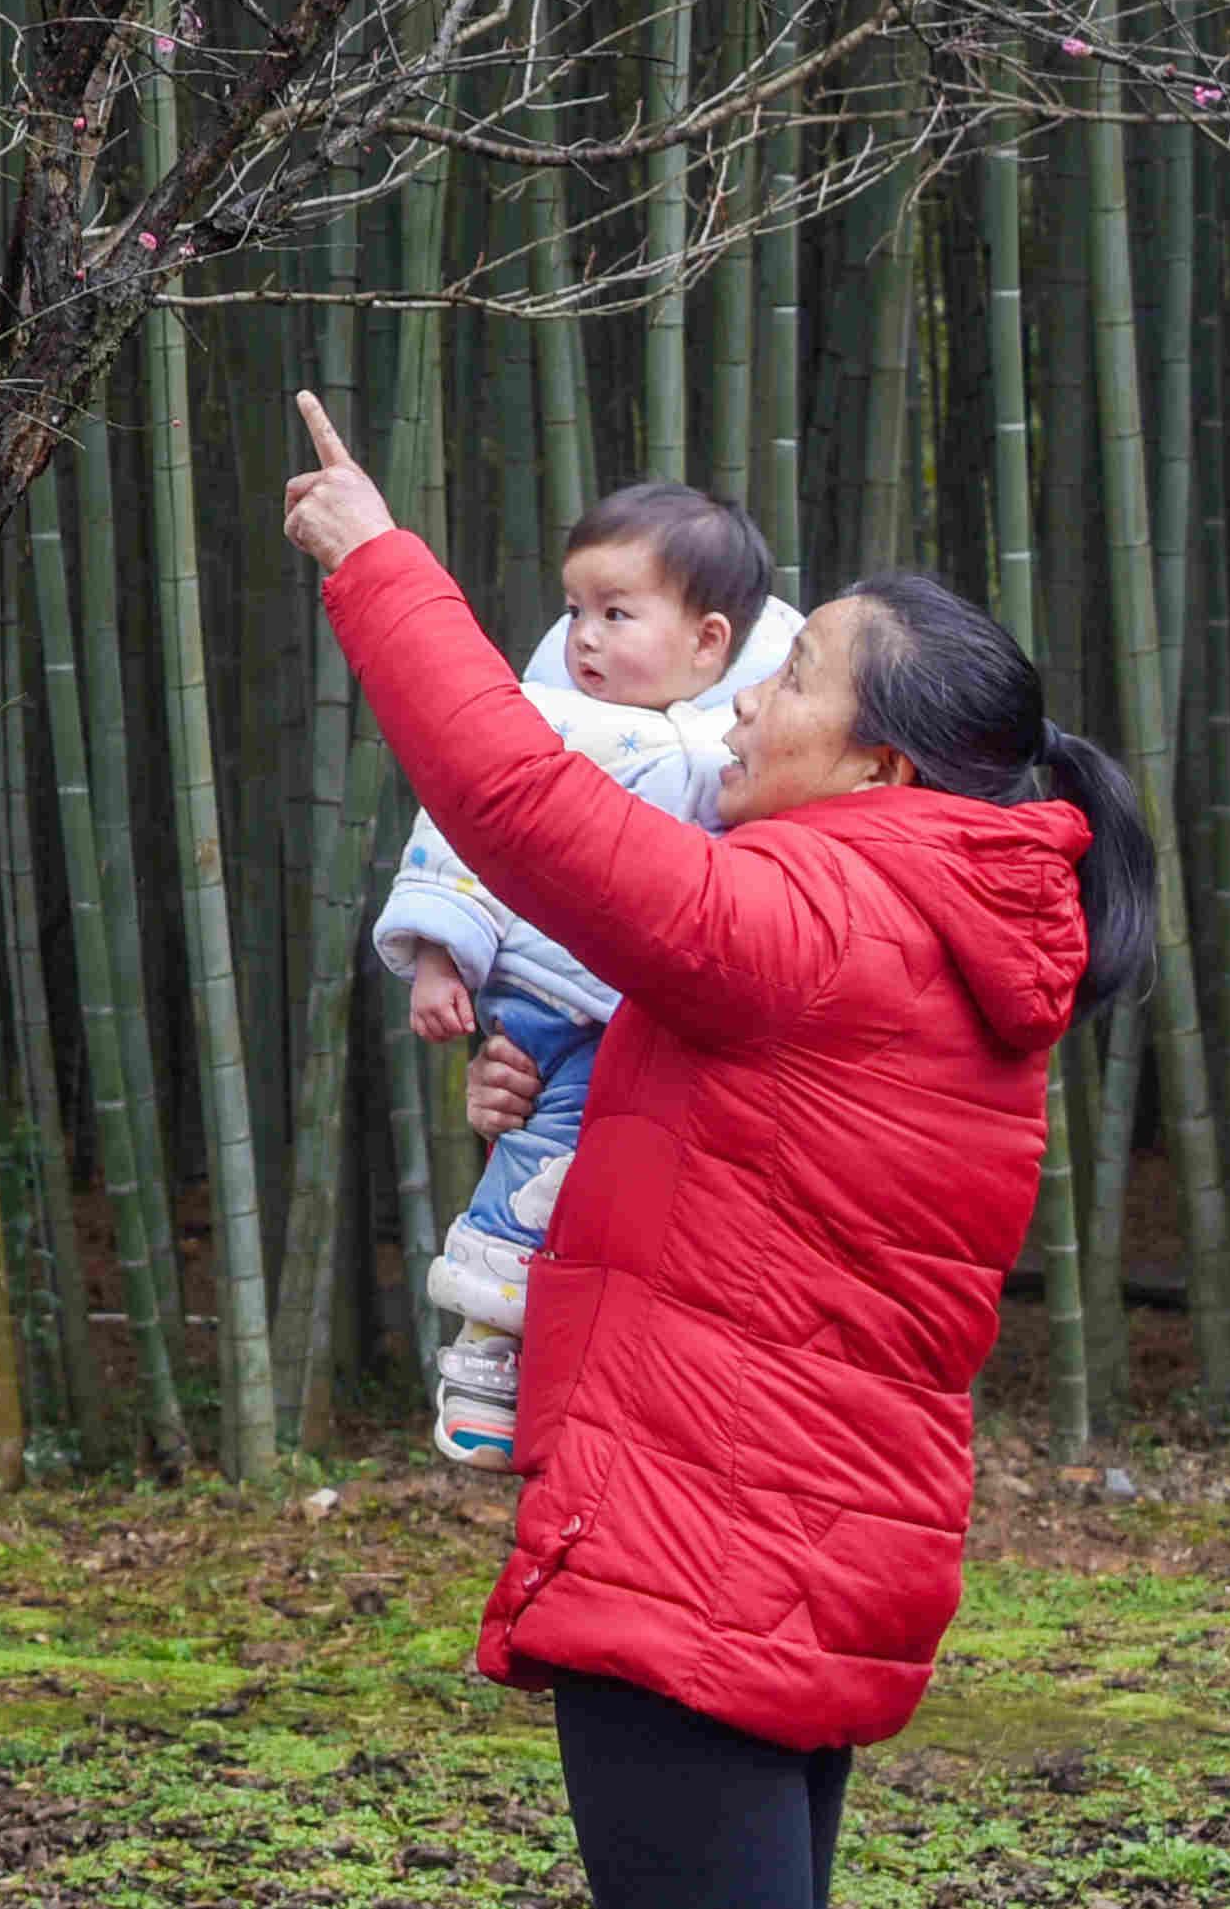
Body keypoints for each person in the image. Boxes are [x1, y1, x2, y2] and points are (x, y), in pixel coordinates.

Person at [280, 393, 1154, 1909]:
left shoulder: (822, 923)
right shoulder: (913, 921)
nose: (746, 699)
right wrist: (555, 1095)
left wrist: (377, 563)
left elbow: (519, 801)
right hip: (798, 1526)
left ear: (880, 764)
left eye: (792, 674)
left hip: (706, 1540)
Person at [373, 483, 800, 1467]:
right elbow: (464, 828)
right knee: (538, 1172)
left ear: (710, 641)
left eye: (617, 612)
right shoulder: (545, 723)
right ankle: (487, 1347)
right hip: (554, 1013)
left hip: (674, 1025)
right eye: (574, 611)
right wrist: (442, 953)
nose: (585, 637)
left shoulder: (753, 743)